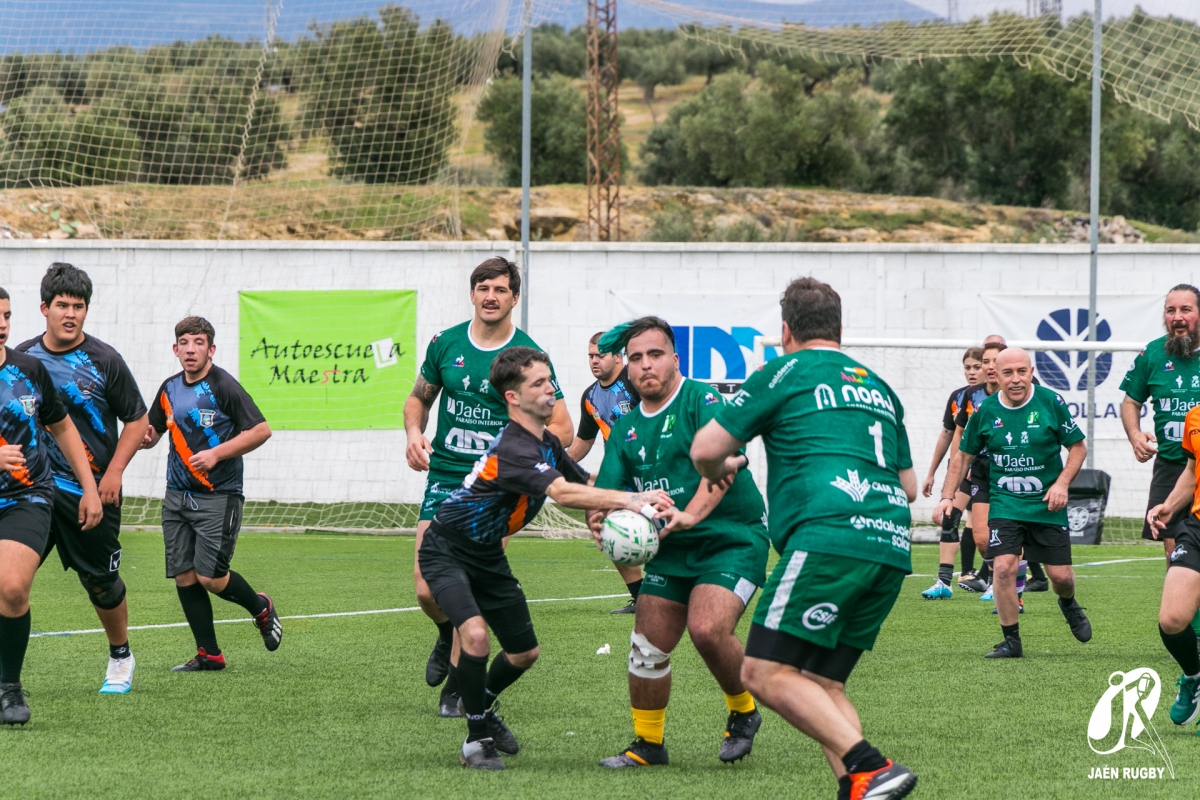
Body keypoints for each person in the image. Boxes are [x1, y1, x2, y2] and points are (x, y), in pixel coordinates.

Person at [691, 277, 919, 800]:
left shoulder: (784, 370)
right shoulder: (878, 386)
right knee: (823, 684)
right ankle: (858, 788)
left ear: (786, 330)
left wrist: (721, 464)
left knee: (762, 670)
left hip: (827, 536)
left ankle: (871, 764)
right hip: (889, 544)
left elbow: (706, 447)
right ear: (840, 329)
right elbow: (907, 486)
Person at [418, 346, 672, 770]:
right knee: (477, 636)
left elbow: (583, 481)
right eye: (538, 383)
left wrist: (606, 506)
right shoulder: (515, 447)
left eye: (549, 380)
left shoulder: (545, 442)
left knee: (524, 653)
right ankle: (476, 739)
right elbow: (561, 493)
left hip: (486, 556)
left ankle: (482, 705)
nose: (550, 388)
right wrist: (633, 500)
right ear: (513, 398)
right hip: (447, 549)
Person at [585, 318, 770, 768]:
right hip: (671, 549)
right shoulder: (626, 428)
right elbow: (613, 495)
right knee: (647, 645)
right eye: (635, 358)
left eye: (655, 354)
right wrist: (603, 518)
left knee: (707, 628)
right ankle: (648, 745)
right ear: (626, 368)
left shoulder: (701, 400)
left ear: (674, 358)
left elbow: (725, 468)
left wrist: (691, 514)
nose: (645, 365)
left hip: (732, 538)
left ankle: (744, 711)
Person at [404, 257, 573, 717]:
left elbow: (561, 425)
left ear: (514, 297)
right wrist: (413, 434)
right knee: (425, 590)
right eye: (483, 288)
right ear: (473, 294)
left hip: (494, 489)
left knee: (470, 582)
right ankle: (446, 634)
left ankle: (459, 688)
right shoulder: (446, 343)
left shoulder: (529, 356)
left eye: (500, 289)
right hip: (445, 474)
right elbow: (419, 397)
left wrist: (524, 460)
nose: (491, 296)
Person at [16, 264, 149, 694]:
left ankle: (120, 655)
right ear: (44, 308)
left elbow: (137, 420)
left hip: (91, 494)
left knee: (101, 582)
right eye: (62, 306)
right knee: (9, 579)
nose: (70, 314)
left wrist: (113, 474)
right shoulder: (21, 361)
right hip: (30, 490)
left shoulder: (105, 360)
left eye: (78, 307)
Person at [141, 316, 280, 672]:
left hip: (219, 495)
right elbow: (153, 431)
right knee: (184, 575)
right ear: (175, 349)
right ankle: (209, 654)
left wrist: (218, 453)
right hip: (176, 497)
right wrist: (141, 437)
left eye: (199, 342)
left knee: (211, 578)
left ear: (211, 349)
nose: (191, 349)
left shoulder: (223, 386)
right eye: (184, 342)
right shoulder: (169, 388)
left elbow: (261, 430)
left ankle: (260, 607)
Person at [937, 348, 1092, 659]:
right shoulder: (985, 411)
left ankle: (1068, 603)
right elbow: (962, 457)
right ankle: (1012, 641)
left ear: (1031, 371)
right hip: (1005, 502)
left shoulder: (1051, 401)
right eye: (1008, 373)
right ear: (997, 374)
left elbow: (1077, 448)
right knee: (1004, 568)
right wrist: (946, 497)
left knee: (1060, 576)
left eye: (1022, 371)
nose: (1016, 379)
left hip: (1047, 504)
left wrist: (1061, 484)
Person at [0, 285, 102, 724]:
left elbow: (62, 428)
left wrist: (91, 486)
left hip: (27, 495)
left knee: (13, 587)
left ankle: (10, 690)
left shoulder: (29, 370)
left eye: (5, 315)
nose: (1, 324)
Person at [568, 331, 643, 614]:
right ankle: (640, 596)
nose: (594, 361)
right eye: (590, 356)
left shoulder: (636, 382)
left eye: (600, 355)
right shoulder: (590, 396)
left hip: (653, 467)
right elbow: (584, 442)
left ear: (618, 356)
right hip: (620, 473)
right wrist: (554, 462)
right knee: (598, 518)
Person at [1147, 402, 1200, 727]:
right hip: (1196, 526)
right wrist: (1169, 505)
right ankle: (1193, 676)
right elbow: (1192, 470)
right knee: (1171, 619)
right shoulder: (1195, 415)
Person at [920, 346, 983, 599]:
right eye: (968, 367)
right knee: (950, 516)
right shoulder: (961, 397)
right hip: (963, 469)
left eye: (976, 366)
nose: (972, 371)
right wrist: (933, 472)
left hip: (990, 470)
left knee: (983, 528)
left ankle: (988, 578)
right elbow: (950, 433)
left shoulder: (1000, 396)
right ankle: (944, 581)